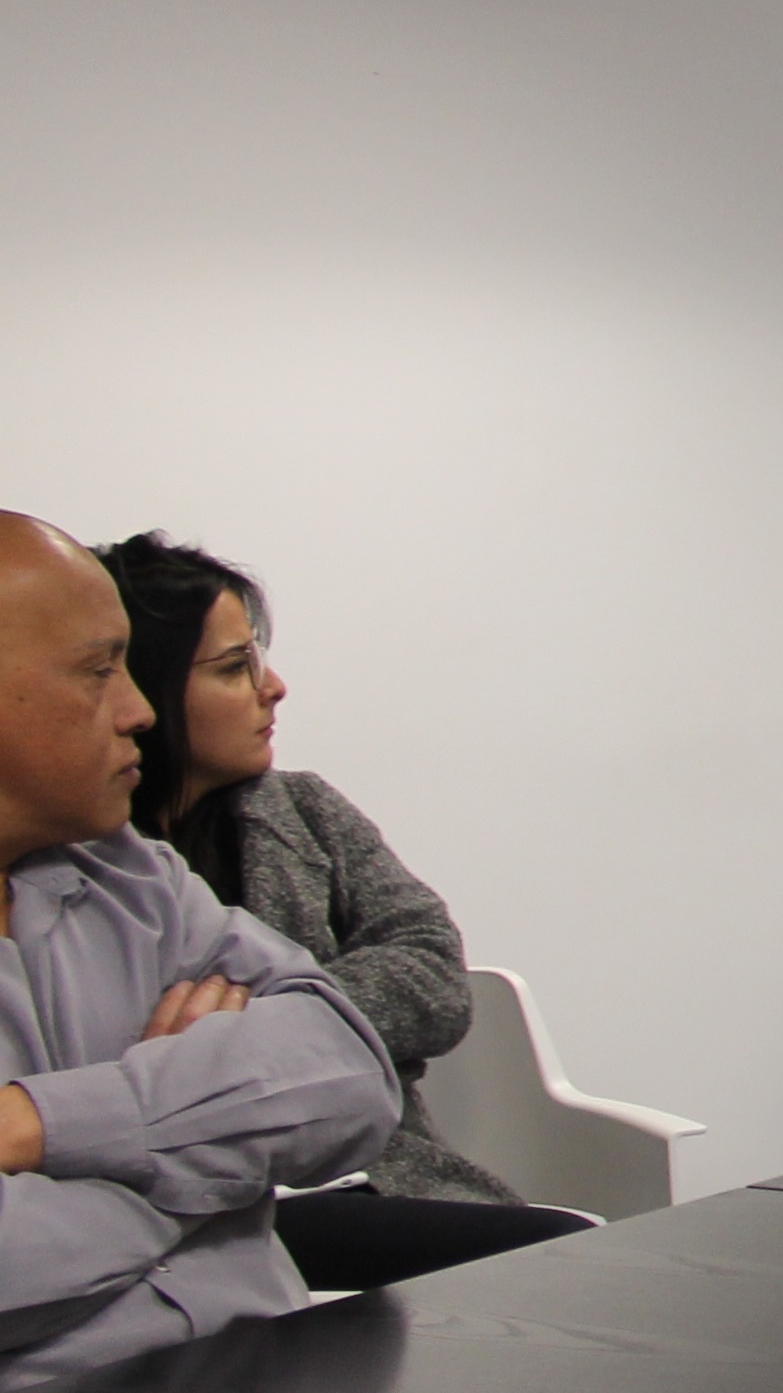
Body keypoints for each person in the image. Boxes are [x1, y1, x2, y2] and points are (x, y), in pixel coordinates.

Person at [0, 513, 783, 1393]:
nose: (136, 709)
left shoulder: (125, 879)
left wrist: (43, 1123)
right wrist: (203, 1163)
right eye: (97, 670)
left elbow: (349, 1074)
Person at [97, 532, 581, 1292]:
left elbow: (433, 979)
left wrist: (251, 1028)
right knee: (560, 1262)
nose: (274, 686)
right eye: (234, 669)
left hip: (376, 1175)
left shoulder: (307, 813)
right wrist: (307, 1034)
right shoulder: (75, 857)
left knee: (572, 1262)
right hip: (194, 1210)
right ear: (146, 691)